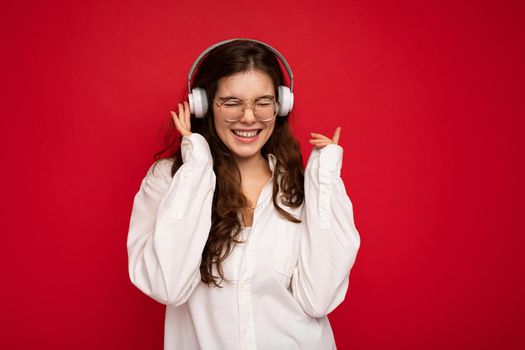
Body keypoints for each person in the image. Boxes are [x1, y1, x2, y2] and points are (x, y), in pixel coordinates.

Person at [126, 38, 361, 350]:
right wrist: (196, 166)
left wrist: (327, 180)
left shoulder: (302, 187)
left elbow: (318, 299)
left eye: (263, 102)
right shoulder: (170, 182)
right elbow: (168, 285)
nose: (249, 117)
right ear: (204, 105)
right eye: (232, 102)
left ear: (281, 106)